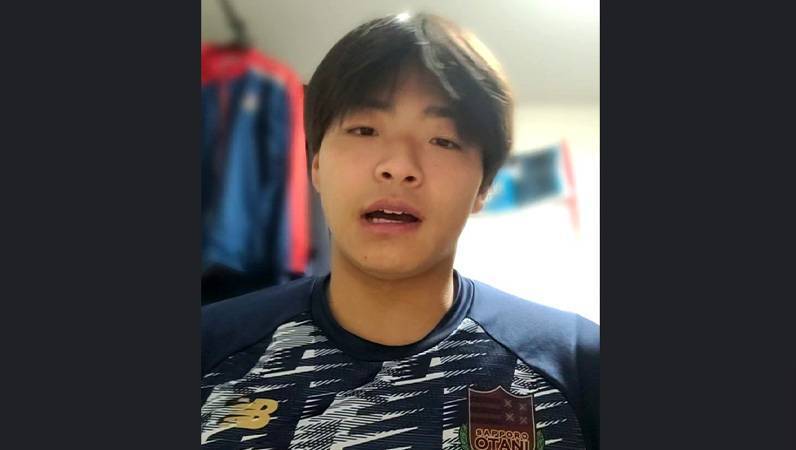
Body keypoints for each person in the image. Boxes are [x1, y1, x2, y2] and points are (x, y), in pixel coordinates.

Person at [201, 12, 599, 450]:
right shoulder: (210, 348)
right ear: (316, 164)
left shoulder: (579, 363)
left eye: (443, 140)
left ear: (483, 187)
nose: (399, 166)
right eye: (364, 129)